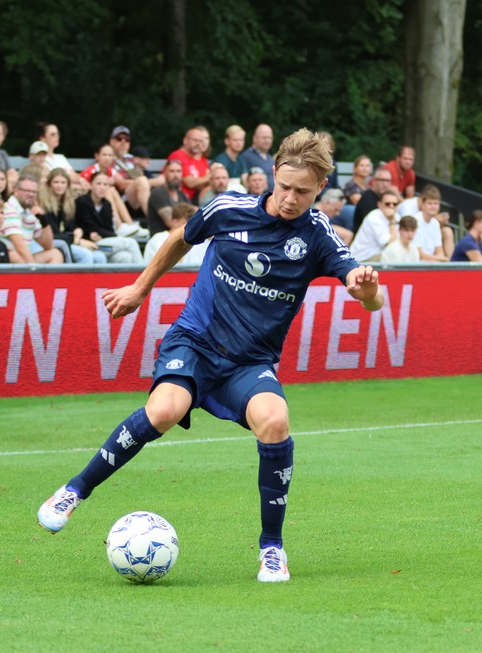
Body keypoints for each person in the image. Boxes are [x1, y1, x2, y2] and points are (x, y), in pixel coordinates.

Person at [37, 128, 384, 584]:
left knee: (275, 422)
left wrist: (369, 291)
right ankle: (74, 491)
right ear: (272, 174)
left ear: (320, 188)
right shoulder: (228, 207)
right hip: (196, 342)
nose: (289, 199)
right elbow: (180, 237)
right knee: (164, 410)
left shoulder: (317, 235)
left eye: (303, 192)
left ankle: (272, 549)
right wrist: (140, 289)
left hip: (248, 363)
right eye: (284, 187)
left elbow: (369, 298)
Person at [74, 171, 144, 264]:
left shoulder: (107, 204)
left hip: (105, 242)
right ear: (90, 185)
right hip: (89, 243)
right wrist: (100, 233)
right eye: (98, 183)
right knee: (131, 243)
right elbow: (90, 228)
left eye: (105, 184)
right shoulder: (82, 202)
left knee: (125, 257)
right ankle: (144, 275)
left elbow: (110, 230)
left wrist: (101, 234)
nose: (102, 187)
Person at [40, 168, 106, 264]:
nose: (59, 186)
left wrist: (77, 230)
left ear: (67, 185)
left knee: (99, 256)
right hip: (55, 242)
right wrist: (76, 240)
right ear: (49, 184)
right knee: (85, 255)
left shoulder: (68, 203)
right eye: (56, 182)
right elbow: (54, 233)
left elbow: (70, 226)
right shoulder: (45, 205)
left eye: (63, 182)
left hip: (69, 240)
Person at [0, 172, 65, 265]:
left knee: (55, 254)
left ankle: (49, 280)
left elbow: (48, 245)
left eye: (34, 192)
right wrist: (34, 270)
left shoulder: (29, 213)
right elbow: (20, 247)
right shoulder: (8, 208)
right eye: (27, 191)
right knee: (14, 256)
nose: (31, 195)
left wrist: (43, 220)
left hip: (23, 259)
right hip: (6, 260)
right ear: (16, 190)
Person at [108, 126, 155, 217]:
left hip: (136, 195)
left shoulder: (130, 158)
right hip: (119, 197)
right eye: (119, 139)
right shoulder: (107, 158)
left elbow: (138, 176)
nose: (123, 142)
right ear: (111, 141)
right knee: (143, 181)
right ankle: (153, 222)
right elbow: (121, 183)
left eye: (126, 139)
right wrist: (153, 182)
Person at [349, 190, 400, 262]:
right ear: (379, 204)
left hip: (378, 257)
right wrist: (392, 221)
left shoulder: (397, 216)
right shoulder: (373, 217)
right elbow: (389, 244)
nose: (391, 206)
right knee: (393, 254)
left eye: (395, 204)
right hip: (362, 260)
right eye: (387, 204)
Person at [36, 122, 89, 191]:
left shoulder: (60, 157)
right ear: (42, 138)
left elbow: (73, 175)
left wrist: (81, 180)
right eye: (53, 134)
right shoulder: (40, 159)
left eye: (58, 134)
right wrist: (78, 186)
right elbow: (53, 182)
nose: (57, 136)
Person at [167, 126, 211, 203]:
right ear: (185, 141)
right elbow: (190, 183)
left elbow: (202, 184)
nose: (198, 143)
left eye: (200, 141)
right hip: (180, 199)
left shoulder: (202, 160)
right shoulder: (178, 155)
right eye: (195, 140)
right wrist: (211, 176)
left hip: (196, 198)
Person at [146, 159, 190, 235]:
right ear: (164, 174)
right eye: (172, 171)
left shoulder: (182, 195)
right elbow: (171, 222)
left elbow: (194, 213)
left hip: (179, 237)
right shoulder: (158, 193)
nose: (175, 175)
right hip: (160, 239)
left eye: (178, 171)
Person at [410, 184, 449, 262]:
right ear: (423, 205)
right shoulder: (414, 221)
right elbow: (419, 254)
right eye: (430, 203)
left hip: (431, 263)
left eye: (436, 204)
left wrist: (441, 259)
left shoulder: (435, 224)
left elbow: (439, 250)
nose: (433, 207)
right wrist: (442, 259)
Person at [353, 167, 395, 233]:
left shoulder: (384, 199)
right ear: (373, 181)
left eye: (388, 181)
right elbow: (374, 227)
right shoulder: (367, 200)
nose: (385, 184)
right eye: (382, 180)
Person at [240, 123, 274, 190]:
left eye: (269, 138)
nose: (267, 140)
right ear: (255, 138)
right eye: (264, 138)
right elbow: (245, 182)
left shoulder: (270, 158)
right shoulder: (246, 157)